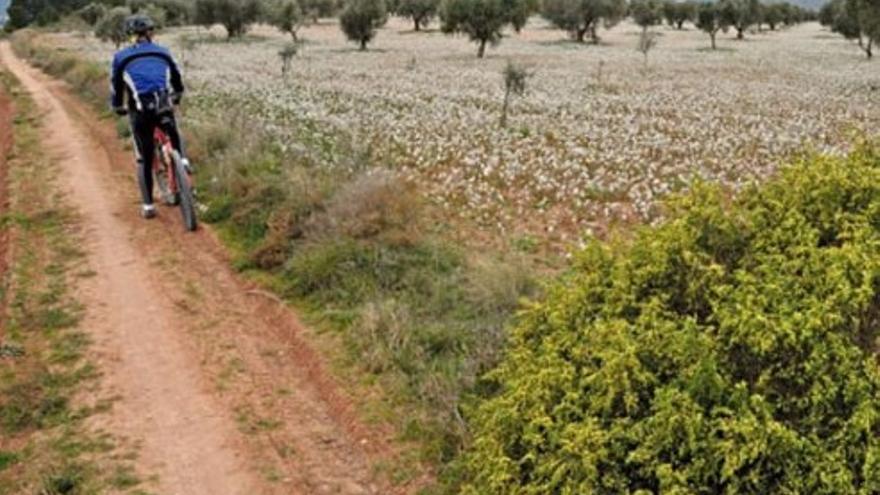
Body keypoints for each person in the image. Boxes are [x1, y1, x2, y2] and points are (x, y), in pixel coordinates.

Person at [110, 14, 190, 219]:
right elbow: (176, 76)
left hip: (140, 109)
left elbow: (117, 86)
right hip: (163, 102)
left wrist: (117, 106)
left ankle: (147, 205)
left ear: (130, 36)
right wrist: (178, 93)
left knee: (145, 157)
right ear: (151, 33)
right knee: (172, 129)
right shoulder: (163, 52)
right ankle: (183, 160)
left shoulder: (121, 57)